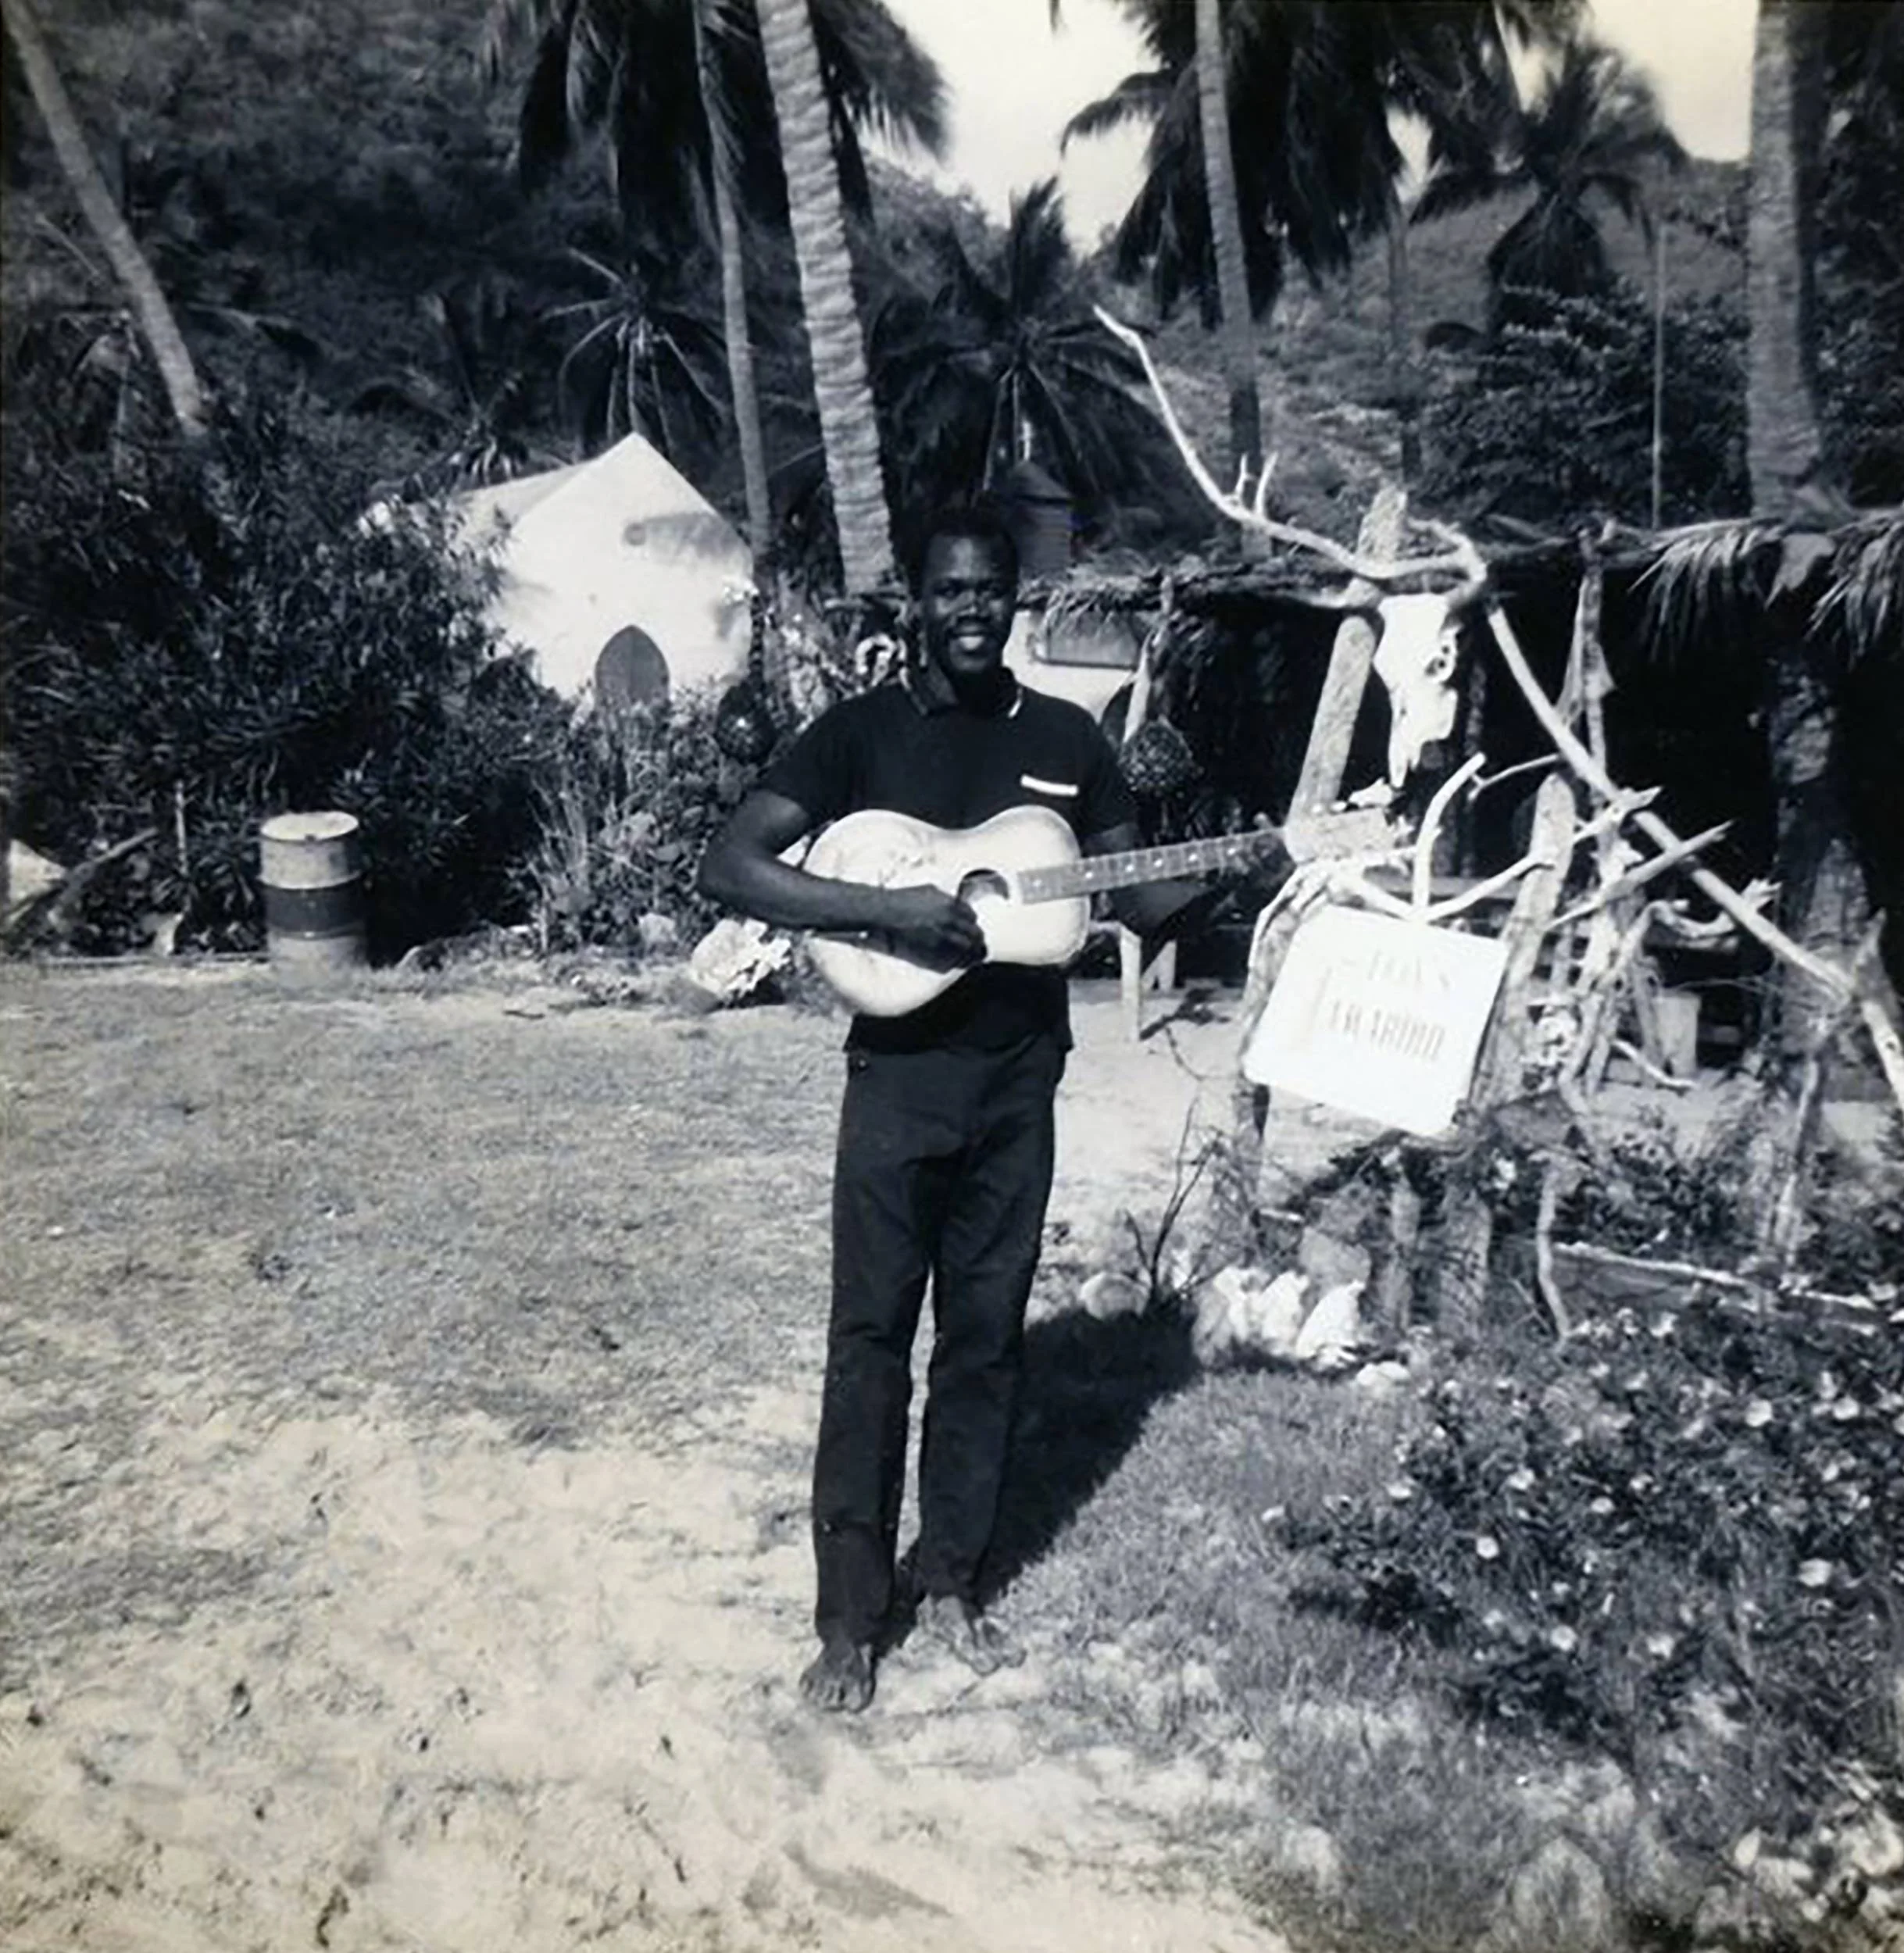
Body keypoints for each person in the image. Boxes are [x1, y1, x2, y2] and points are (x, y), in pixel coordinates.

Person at [697, 506, 1220, 1713]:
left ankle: (950, 1582)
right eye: (952, 589)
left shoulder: (1069, 741)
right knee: (870, 1341)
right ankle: (848, 1620)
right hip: (898, 1080)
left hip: (1019, 1081)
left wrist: (1245, 870)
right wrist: (883, 914)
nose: (974, 608)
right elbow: (732, 866)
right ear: (918, 602)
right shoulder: (859, 737)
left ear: (1016, 601)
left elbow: (1136, 897)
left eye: (993, 589)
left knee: (984, 1342)